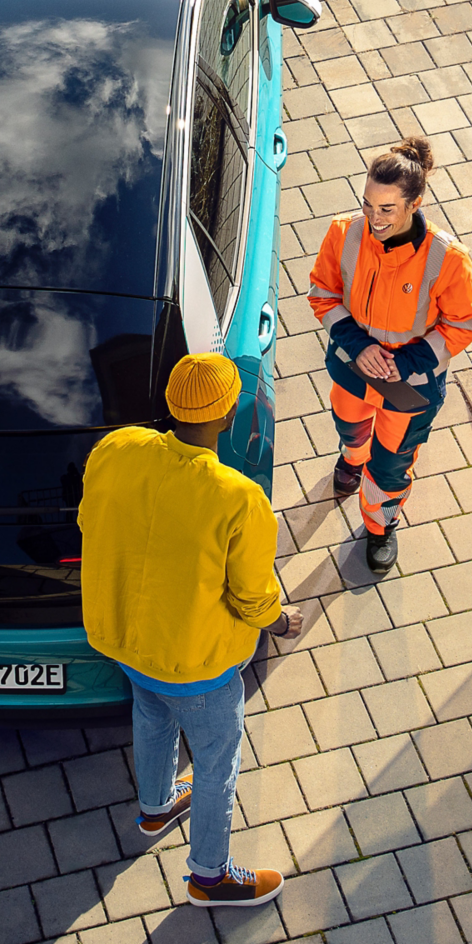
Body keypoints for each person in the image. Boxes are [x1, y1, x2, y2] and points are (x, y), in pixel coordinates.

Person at [77, 353, 303, 908]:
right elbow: (251, 598)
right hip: (196, 665)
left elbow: (89, 522)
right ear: (227, 416)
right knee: (216, 764)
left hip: (126, 641)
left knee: (150, 717)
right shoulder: (239, 499)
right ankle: (209, 876)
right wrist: (280, 621)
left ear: (170, 403)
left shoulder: (116, 448)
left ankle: (154, 809)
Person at [308, 136, 472, 573]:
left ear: (414, 203)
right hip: (352, 371)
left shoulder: (448, 259)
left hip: (408, 388)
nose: (373, 218)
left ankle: (379, 527)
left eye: (386, 209)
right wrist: (359, 344)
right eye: (368, 204)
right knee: (350, 429)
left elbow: (463, 324)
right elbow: (323, 292)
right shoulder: (343, 232)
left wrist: (403, 363)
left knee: (391, 466)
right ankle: (351, 460)